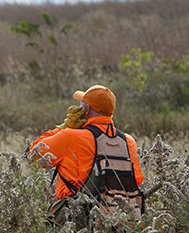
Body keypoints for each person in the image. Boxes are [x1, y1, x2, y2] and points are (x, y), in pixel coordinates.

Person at [28, 85, 144, 225]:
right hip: (121, 221)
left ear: (86, 109)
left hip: (78, 220)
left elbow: (35, 154)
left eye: (81, 104)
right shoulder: (128, 141)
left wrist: (63, 127)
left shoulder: (70, 136)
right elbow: (136, 181)